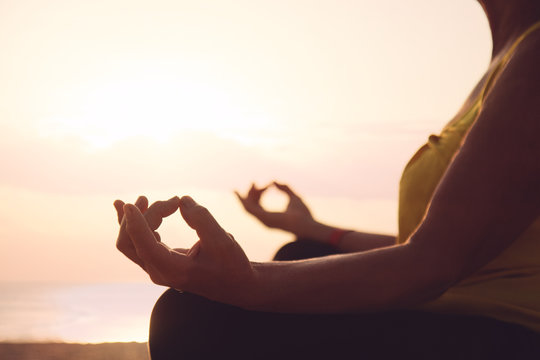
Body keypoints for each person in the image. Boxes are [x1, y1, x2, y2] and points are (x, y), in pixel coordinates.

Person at [113, 0, 540, 358]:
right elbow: (437, 242)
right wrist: (310, 229)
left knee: (190, 318)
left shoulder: (534, 57)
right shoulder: (507, 58)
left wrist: (246, 281)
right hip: (450, 305)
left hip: (502, 331)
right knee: (300, 250)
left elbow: (432, 263)